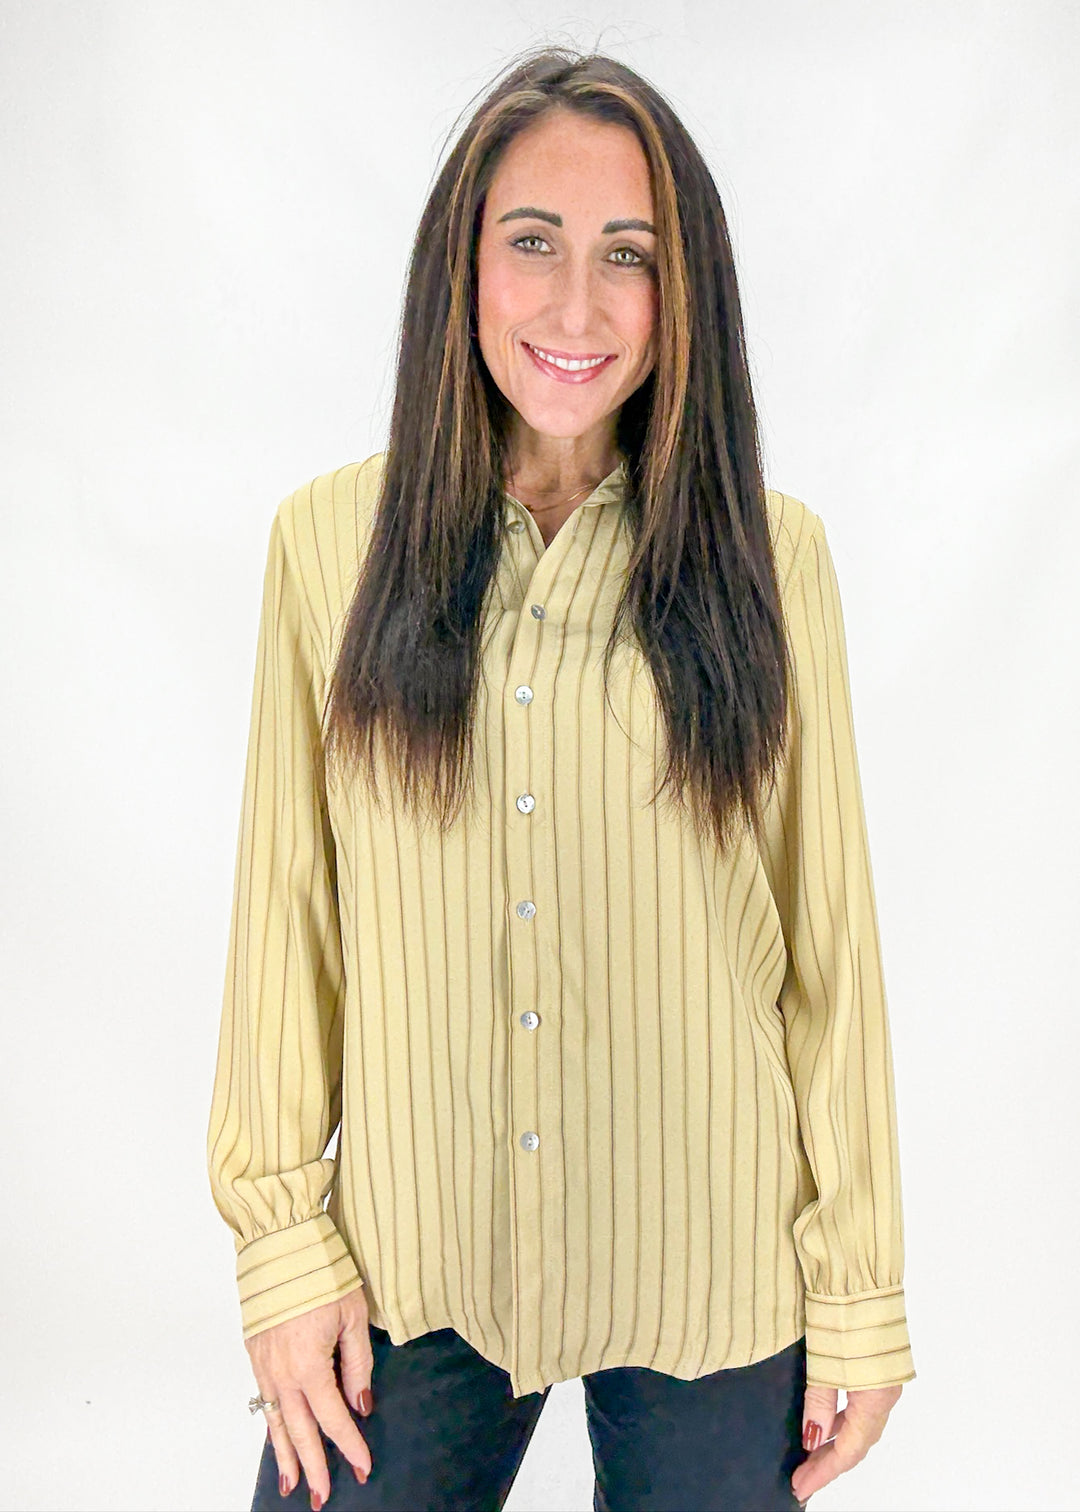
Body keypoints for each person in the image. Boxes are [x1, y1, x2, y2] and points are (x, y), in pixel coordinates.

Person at [207, 45, 916, 1512]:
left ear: (685, 295)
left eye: (629, 258)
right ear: (461, 266)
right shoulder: (328, 549)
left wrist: (861, 1296)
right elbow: (290, 926)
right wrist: (282, 1253)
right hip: (419, 1264)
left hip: (710, 1272)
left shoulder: (773, 566)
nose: (578, 307)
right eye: (533, 244)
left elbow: (830, 951)